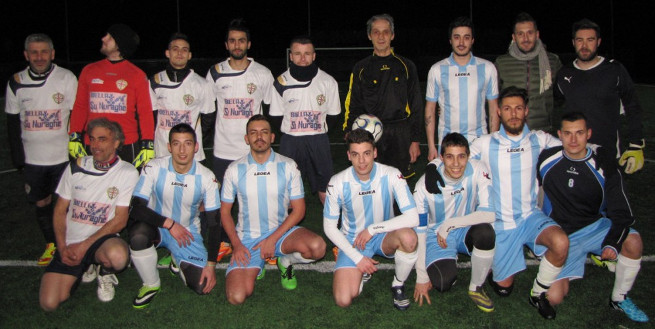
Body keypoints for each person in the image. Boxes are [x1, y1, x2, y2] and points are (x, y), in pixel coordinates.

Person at [466, 86, 569, 319]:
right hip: (502, 222)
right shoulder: (484, 143)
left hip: (530, 216)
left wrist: (597, 151)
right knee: (503, 289)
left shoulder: (539, 139)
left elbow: (571, 148)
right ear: (499, 112)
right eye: (507, 108)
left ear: (526, 112)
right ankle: (498, 267)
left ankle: (537, 294)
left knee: (561, 243)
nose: (513, 114)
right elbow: (456, 164)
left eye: (518, 108)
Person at [537, 112, 649, 323]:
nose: (573, 140)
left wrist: (612, 242)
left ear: (589, 134)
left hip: (594, 227)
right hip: (562, 236)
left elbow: (622, 213)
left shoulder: (604, 164)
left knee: (633, 241)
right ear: (559, 135)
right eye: (568, 133)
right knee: (554, 297)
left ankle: (619, 298)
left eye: (579, 133)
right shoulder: (546, 160)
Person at [220, 115, 325, 305]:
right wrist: (236, 244)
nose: (259, 137)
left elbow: (299, 210)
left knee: (317, 247)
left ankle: (285, 261)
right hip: (248, 239)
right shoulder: (234, 169)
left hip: (281, 234)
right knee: (236, 297)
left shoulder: (288, 165)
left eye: (264, 132)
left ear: (272, 137)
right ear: (246, 138)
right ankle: (256, 264)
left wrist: (272, 239)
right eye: (253, 133)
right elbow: (225, 212)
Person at [39, 118, 138, 311]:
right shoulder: (76, 166)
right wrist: (62, 247)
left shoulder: (127, 172)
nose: (95, 145)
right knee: (49, 304)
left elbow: (120, 220)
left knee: (118, 257)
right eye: (92, 139)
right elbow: (59, 210)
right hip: (70, 243)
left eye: (102, 139)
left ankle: (103, 271)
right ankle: (86, 266)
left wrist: (84, 246)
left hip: (100, 241)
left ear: (116, 143)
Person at [323, 128, 419, 310]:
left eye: (367, 153)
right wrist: (357, 258)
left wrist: (373, 229)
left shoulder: (391, 174)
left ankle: (398, 284)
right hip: (353, 240)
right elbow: (329, 227)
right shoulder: (337, 182)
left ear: (375, 152)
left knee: (409, 238)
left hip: (384, 234)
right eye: (356, 154)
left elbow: (413, 217)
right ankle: (361, 272)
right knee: (343, 300)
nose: (362, 161)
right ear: (348, 156)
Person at [128, 123, 220, 309]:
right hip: (157, 226)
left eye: (187, 143)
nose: (182, 150)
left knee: (202, 286)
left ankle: (176, 256)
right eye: (176, 144)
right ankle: (151, 284)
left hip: (187, 231)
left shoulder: (207, 177)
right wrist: (169, 224)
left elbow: (214, 224)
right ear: (169, 147)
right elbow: (136, 208)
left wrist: (211, 265)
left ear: (196, 147)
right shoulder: (153, 167)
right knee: (138, 235)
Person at [5, 33, 77, 266]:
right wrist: (19, 160)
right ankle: (51, 244)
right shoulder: (16, 82)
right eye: (34, 52)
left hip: (62, 156)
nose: (39, 56)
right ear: (26, 55)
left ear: (52, 54)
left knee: (68, 203)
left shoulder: (66, 78)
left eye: (44, 51)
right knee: (42, 202)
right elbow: (12, 123)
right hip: (34, 160)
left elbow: (77, 117)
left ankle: (72, 242)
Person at [206, 19, 274, 262]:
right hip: (224, 148)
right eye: (232, 40)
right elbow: (209, 109)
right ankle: (226, 241)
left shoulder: (263, 73)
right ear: (226, 44)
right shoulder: (214, 72)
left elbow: (268, 109)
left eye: (241, 40)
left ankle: (265, 242)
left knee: (258, 197)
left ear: (249, 44)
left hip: (253, 149)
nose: (237, 44)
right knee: (225, 201)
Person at [413, 133, 496, 312]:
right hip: (436, 235)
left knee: (486, 232)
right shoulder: (423, 187)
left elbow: (490, 214)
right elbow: (419, 231)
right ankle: (450, 259)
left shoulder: (478, 169)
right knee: (442, 283)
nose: (456, 164)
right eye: (450, 157)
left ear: (468, 156)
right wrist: (421, 275)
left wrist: (449, 224)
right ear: (441, 158)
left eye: (461, 156)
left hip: (465, 228)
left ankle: (476, 287)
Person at [556, 19, 645, 174]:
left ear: (598, 42)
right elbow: (559, 109)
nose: (584, 46)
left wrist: (636, 145)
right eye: (579, 40)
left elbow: (633, 107)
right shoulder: (564, 74)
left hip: (608, 155)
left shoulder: (614, 70)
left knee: (608, 197)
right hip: (574, 154)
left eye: (590, 40)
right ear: (573, 42)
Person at [343, 13, 422, 178]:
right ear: (369, 35)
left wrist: (415, 139)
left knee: (399, 182)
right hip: (369, 134)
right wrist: (349, 131)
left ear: (392, 35)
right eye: (376, 32)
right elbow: (353, 102)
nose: (381, 36)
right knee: (371, 182)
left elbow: (416, 105)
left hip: (400, 133)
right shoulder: (361, 68)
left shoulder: (407, 66)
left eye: (385, 32)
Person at [68, 23, 155, 168]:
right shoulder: (89, 70)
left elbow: (145, 112)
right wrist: (74, 136)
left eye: (109, 37)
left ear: (119, 43)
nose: (103, 39)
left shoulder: (137, 75)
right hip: (93, 143)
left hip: (125, 145)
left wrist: (147, 144)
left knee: (125, 189)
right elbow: (80, 107)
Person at [269, 36, 341, 204]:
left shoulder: (328, 81)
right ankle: (286, 228)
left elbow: (334, 115)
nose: (303, 58)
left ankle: (332, 227)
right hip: (291, 141)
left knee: (326, 187)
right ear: (291, 56)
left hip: (318, 140)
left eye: (307, 53)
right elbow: (275, 116)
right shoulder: (280, 82)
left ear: (314, 56)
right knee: (286, 189)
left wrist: (316, 129)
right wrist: (294, 129)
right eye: (298, 53)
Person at [425, 16, 499, 161]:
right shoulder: (437, 69)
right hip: (447, 141)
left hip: (479, 141)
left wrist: (492, 142)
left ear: (472, 40)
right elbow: (430, 110)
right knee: (450, 183)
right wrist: (431, 146)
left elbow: (494, 109)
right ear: (450, 40)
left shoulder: (488, 68)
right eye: (457, 37)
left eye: (466, 37)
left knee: (479, 182)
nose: (461, 42)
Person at [150, 33, 214, 160]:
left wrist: (192, 140)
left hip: (192, 155)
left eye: (184, 50)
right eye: (175, 49)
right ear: (167, 53)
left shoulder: (202, 84)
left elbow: (208, 119)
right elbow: (152, 117)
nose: (180, 53)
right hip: (163, 151)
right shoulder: (155, 81)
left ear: (189, 55)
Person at [495, 12, 562, 133]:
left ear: (537, 35)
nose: (525, 39)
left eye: (530, 33)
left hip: (544, 131)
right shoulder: (501, 63)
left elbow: (561, 101)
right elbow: (493, 100)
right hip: (511, 132)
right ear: (514, 37)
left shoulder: (553, 61)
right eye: (520, 34)